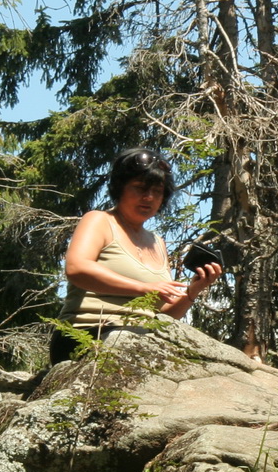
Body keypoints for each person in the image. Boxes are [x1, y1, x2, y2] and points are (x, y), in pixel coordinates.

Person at [50, 148, 224, 364]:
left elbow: (164, 314)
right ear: (120, 188)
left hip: (140, 338)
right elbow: (77, 268)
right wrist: (144, 288)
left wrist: (193, 290)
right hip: (85, 334)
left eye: (157, 191)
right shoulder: (99, 220)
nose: (149, 197)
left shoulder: (157, 242)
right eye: (140, 188)